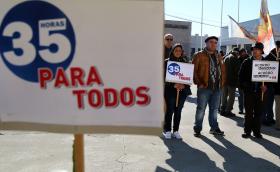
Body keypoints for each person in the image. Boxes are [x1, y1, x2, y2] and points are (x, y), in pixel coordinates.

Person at [192, 36, 226, 137]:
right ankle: (197, 128)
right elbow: (194, 71)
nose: (213, 44)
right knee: (201, 109)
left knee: (214, 109)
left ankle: (214, 128)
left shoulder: (219, 55)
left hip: (217, 88)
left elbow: (223, 70)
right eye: (211, 42)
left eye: (215, 42)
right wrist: (199, 83)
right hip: (204, 87)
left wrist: (222, 83)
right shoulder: (199, 55)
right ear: (206, 43)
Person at [162, 43, 192, 139]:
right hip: (170, 90)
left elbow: (188, 77)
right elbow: (162, 76)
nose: (178, 52)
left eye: (180, 51)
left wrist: (183, 84)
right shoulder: (167, 62)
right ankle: (167, 130)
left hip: (182, 91)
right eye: (176, 50)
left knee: (178, 111)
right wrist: (173, 84)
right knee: (170, 110)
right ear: (173, 51)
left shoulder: (185, 62)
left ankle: (176, 130)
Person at [239, 42, 268, 139]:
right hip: (249, 92)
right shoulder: (247, 62)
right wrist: (245, 86)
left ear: (261, 51)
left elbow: (271, 78)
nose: (254, 51)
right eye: (253, 49)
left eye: (257, 49)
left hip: (261, 93)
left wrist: (266, 86)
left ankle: (257, 132)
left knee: (258, 113)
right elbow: (240, 77)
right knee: (248, 113)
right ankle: (247, 131)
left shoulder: (266, 63)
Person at [264, 41, 280, 127]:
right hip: (269, 85)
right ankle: (266, 119)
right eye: (277, 48)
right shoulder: (269, 57)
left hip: (276, 86)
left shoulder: (277, 57)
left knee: (273, 104)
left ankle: (270, 118)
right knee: (268, 103)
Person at [220, 47, 240, 117]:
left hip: (224, 80)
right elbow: (237, 71)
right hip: (232, 81)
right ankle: (228, 111)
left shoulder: (226, 57)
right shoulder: (234, 58)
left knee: (224, 96)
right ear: (237, 52)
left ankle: (222, 109)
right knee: (231, 97)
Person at [237, 48, 249, 114]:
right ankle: (241, 109)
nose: (243, 53)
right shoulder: (238, 59)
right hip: (240, 81)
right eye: (242, 52)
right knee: (240, 96)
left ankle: (247, 109)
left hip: (248, 82)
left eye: (244, 52)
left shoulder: (249, 59)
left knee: (247, 97)